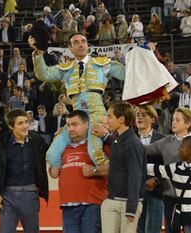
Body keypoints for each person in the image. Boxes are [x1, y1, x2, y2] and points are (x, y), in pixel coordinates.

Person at [30, 31, 125, 169]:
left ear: (87, 45)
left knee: (95, 154)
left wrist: (142, 57)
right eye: (76, 42)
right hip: (76, 116)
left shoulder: (103, 63)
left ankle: (121, 177)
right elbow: (44, 74)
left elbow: (126, 73)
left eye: (83, 41)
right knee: (51, 154)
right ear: (70, 48)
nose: (80, 45)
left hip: (96, 114)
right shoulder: (66, 67)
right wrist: (38, 53)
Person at [144, 107, 191, 233]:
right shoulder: (165, 142)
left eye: (177, 120)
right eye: (173, 120)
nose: (173, 122)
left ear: (188, 124)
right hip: (171, 198)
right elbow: (144, 150)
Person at [0, 109, 49, 233]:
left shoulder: (38, 141)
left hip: (30, 194)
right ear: (11, 126)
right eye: (20, 123)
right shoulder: (1, 145)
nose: (25, 126)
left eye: (26, 122)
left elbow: (54, 151)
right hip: (7, 196)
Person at [49, 110, 107, 233]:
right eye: (68, 125)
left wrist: (95, 170)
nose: (70, 129)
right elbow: (56, 168)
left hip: (92, 204)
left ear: (87, 124)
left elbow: (115, 167)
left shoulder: (98, 146)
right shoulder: (63, 148)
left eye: (75, 124)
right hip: (67, 205)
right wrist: (52, 170)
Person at [99, 101, 145, 233]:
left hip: (127, 203)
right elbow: (116, 146)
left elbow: (135, 175)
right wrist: (105, 136)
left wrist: (131, 208)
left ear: (121, 119)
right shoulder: (118, 140)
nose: (107, 120)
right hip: (112, 198)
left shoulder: (133, 143)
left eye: (109, 116)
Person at [135, 105, 165, 233]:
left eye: (143, 115)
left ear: (152, 119)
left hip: (156, 191)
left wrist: (156, 181)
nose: (139, 117)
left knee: (153, 228)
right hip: (135, 193)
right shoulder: (129, 138)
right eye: (137, 115)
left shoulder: (163, 139)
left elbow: (167, 165)